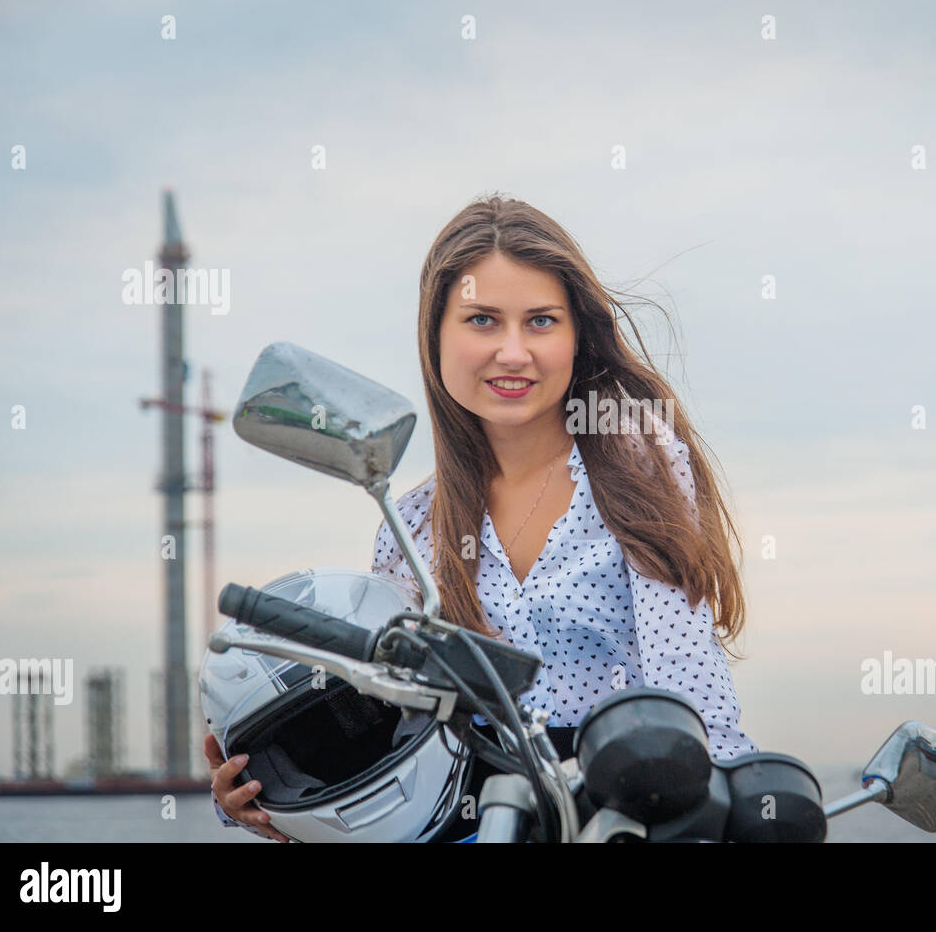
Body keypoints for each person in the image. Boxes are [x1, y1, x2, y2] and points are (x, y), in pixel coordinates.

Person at [210, 194, 757, 841]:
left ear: (576, 335)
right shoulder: (412, 525)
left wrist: (727, 802)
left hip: (641, 811)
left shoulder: (637, 457)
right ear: (436, 336)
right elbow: (395, 725)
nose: (513, 351)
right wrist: (257, 795)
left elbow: (689, 690)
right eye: (482, 320)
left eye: (541, 321)